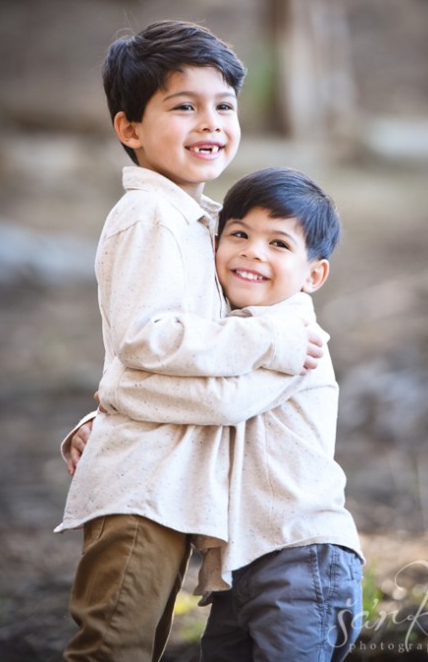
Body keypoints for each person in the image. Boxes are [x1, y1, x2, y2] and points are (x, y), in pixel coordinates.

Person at [56, 21, 323, 662]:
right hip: (142, 484)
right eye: (184, 106)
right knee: (112, 646)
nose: (210, 122)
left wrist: (110, 402)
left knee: (134, 643)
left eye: (223, 106)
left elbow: (150, 352)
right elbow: (148, 340)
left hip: (170, 482)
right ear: (130, 130)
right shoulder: (150, 216)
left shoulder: (200, 221)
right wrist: (265, 346)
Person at [77, 167, 364, 661]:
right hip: (241, 564)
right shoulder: (229, 331)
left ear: (314, 274)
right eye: (239, 234)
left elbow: (219, 404)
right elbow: (191, 390)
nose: (253, 251)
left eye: (279, 244)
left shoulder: (294, 336)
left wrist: (114, 401)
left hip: (302, 553)